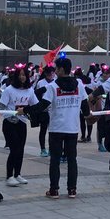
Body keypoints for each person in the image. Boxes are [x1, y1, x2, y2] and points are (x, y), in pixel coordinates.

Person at [20, 55, 90, 199]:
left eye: (57, 69)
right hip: (72, 129)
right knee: (72, 160)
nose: (55, 71)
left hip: (57, 129)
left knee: (55, 160)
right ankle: (72, 190)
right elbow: (85, 108)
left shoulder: (53, 87)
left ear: (62, 69)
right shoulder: (79, 85)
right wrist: (87, 114)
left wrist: (25, 110)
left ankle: (54, 190)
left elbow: (42, 106)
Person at [0, 64, 37, 186]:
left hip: (22, 123)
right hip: (9, 123)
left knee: (21, 150)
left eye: (24, 75)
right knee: (14, 149)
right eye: (19, 75)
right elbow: (1, 106)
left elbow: (36, 105)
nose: (22, 77)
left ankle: (17, 174)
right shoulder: (9, 90)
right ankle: (9, 176)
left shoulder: (30, 90)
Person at [34, 66, 56, 157]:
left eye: (53, 73)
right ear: (46, 73)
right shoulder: (41, 82)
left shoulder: (56, 82)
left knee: (52, 131)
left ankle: (51, 148)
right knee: (43, 130)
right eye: (50, 73)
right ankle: (43, 149)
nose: (51, 75)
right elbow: (37, 95)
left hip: (53, 109)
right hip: (44, 110)